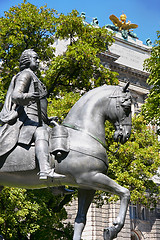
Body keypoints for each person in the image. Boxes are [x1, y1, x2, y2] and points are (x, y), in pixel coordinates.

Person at [0, 49, 64, 180]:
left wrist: (47, 118)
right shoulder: (26, 74)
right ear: (27, 60)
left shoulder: (35, 77)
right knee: (42, 133)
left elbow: (38, 108)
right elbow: (16, 95)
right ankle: (45, 170)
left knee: (58, 137)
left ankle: (58, 185)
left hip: (37, 121)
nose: (38, 61)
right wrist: (29, 96)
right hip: (26, 122)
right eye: (35, 58)